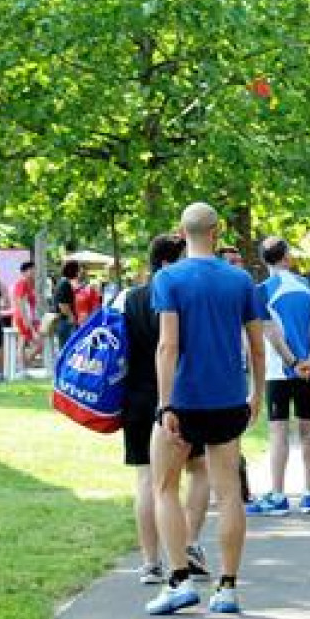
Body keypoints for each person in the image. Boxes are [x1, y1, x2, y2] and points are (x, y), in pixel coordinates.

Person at [145, 203, 267, 616]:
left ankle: (179, 580)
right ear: (217, 231)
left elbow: (168, 345)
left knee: (164, 487)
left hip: (183, 399)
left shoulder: (168, 278)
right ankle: (227, 587)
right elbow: (256, 345)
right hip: (228, 398)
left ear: (182, 233)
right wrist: (257, 393)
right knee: (228, 492)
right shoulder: (240, 280)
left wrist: (165, 403)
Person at [120, 234, 212, 585]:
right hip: (179, 396)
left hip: (136, 396)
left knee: (148, 478)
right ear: (167, 263)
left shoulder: (129, 298)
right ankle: (189, 545)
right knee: (199, 468)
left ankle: (150, 562)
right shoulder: (181, 295)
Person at [252, 238, 310, 516]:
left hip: (279, 371)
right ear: (287, 257)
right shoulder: (309, 287)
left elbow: (271, 332)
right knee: (308, 428)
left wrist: (292, 362)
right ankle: (309, 494)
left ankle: (279, 494)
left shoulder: (262, 291)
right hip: (309, 369)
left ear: (264, 260)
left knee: (278, 432)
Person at [11, 260, 39, 368]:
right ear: (24, 272)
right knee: (24, 342)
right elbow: (21, 303)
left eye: (34, 269)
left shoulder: (29, 284)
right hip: (23, 317)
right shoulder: (22, 283)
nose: (34, 272)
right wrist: (25, 320)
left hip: (28, 317)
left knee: (26, 342)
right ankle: (22, 366)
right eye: (31, 270)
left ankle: (23, 366)